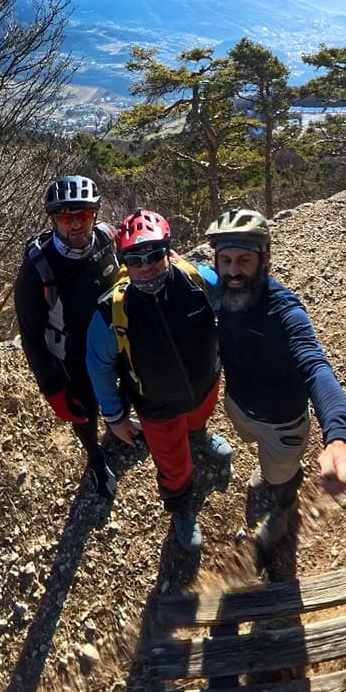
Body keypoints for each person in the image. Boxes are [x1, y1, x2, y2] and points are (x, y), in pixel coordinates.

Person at [200, 208, 346, 544]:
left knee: (282, 474)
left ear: (264, 259)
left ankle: (284, 509)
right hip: (240, 405)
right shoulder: (220, 288)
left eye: (244, 260)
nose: (233, 272)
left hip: (282, 422)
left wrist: (338, 437)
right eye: (225, 260)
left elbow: (315, 365)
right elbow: (192, 271)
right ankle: (273, 473)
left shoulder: (285, 311)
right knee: (265, 458)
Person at [85, 209, 231, 551]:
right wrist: (115, 416)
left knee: (198, 420)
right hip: (156, 408)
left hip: (205, 385)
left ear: (168, 250)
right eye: (136, 258)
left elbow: (232, 308)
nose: (146, 265)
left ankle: (199, 436)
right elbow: (99, 365)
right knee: (173, 466)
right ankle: (181, 507)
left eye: (154, 254)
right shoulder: (113, 311)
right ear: (124, 260)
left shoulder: (198, 280)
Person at [13, 175, 120, 500]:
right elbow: (31, 337)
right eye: (65, 216)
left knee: (122, 390)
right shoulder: (36, 272)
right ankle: (94, 457)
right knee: (85, 412)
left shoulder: (106, 240)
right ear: (54, 219)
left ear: (95, 214)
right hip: (71, 358)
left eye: (83, 215)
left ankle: (119, 425)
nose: (75, 224)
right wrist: (52, 389)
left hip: (114, 343)